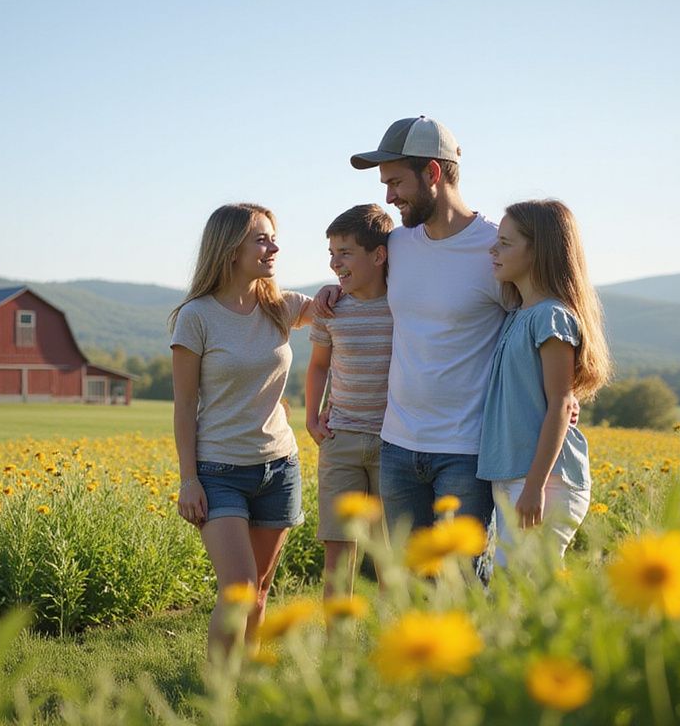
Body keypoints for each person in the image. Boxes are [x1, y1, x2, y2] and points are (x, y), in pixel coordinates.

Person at [321, 116, 508, 537]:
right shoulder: (398, 245)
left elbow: (536, 328)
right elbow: (360, 280)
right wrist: (329, 292)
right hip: (398, 448)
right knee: (408, 587)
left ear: (433, 173)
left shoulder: (495, 249)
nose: (388, 197)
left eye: (396, 183)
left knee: (461, 582)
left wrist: (564, 396)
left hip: (467, 452)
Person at [169, 203, 313, 662]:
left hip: (279, 467)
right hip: (219, 471)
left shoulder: (282, 306)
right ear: (230, 249)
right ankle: (215, 694)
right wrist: (188, 479)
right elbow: (185, 404)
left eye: (273, 237)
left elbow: (341, 305)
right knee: (239, 590)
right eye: (262, 239)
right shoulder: (196, 317)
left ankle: (246, 687)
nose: (274, 247)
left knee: (260, 592)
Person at [479, 199, 611, 567]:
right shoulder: (518, 315)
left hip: (545, 480)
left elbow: (561, 403)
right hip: (518, 475)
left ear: (539, 250)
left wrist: (535, 485)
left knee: (521, 591)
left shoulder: (550, 317)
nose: (493, 250)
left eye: (505, 243)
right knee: (515, 592)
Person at [304, 203, 394, 599]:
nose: (334, 263)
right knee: (339, 558)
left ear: (378, 254)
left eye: (345, 253)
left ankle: (398, 649)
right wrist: (310, 417)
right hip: (340, 441)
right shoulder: (331, 308)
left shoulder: (403, 305)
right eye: (331, 253)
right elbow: (319, 366)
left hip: (395, 444)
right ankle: (336, 656)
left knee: (390, 556)